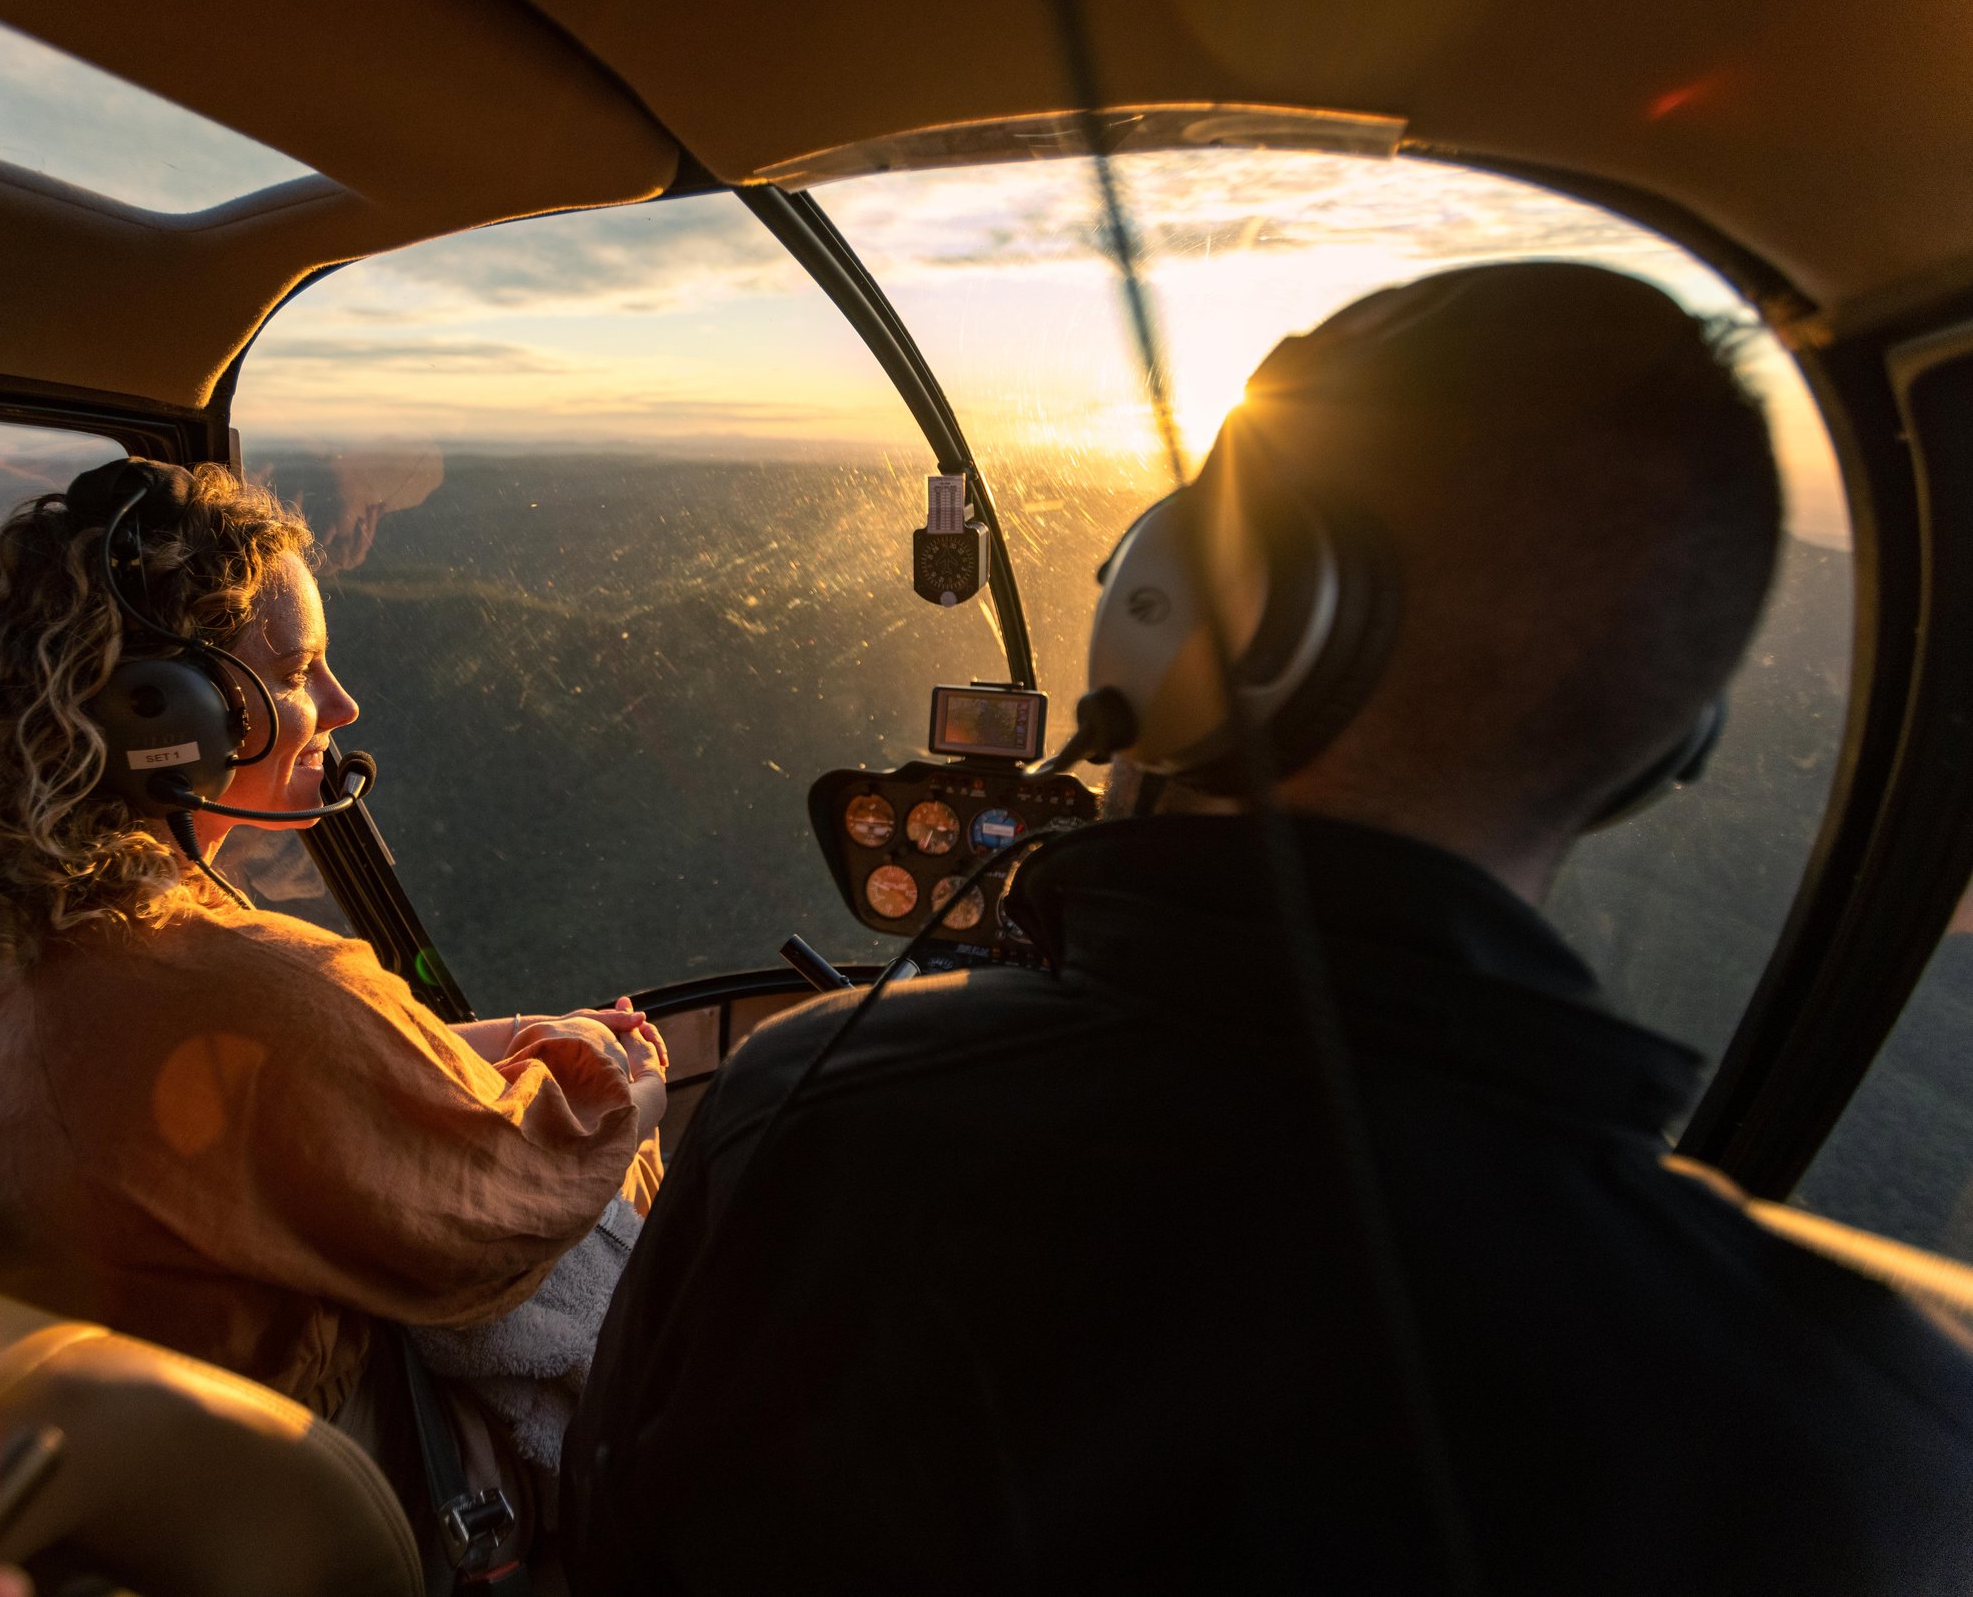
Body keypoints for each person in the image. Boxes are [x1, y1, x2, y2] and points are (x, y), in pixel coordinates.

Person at [563, 264, 1973, 1593]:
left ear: (1200, 608)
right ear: (1664, 747)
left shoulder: (807, 1118)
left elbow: (611, 1547)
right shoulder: (1865, 1436)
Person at [0, 458, 666, 1426]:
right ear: (162, 712)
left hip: (133, 1468)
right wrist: (625, 1084)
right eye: (296, 670)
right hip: (326, 1477)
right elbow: (505, 1207)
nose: (342, 707)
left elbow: (279, 1095)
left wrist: (522, 1035)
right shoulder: (254, 980)